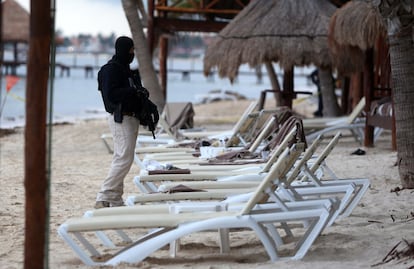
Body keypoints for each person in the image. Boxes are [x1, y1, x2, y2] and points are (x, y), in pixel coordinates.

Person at [95, 36, 159, 208]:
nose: (133, 53)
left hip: (132, 118)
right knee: (124, 158)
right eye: (131, 50)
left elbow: (136, 93)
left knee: (122, 157)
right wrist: (132, 91)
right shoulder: (110, 70)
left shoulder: (127, 70)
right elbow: (111, 95)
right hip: (121, 118)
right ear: (123, 49)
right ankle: (104, 195)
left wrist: (150, 106)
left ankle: (114, 198)